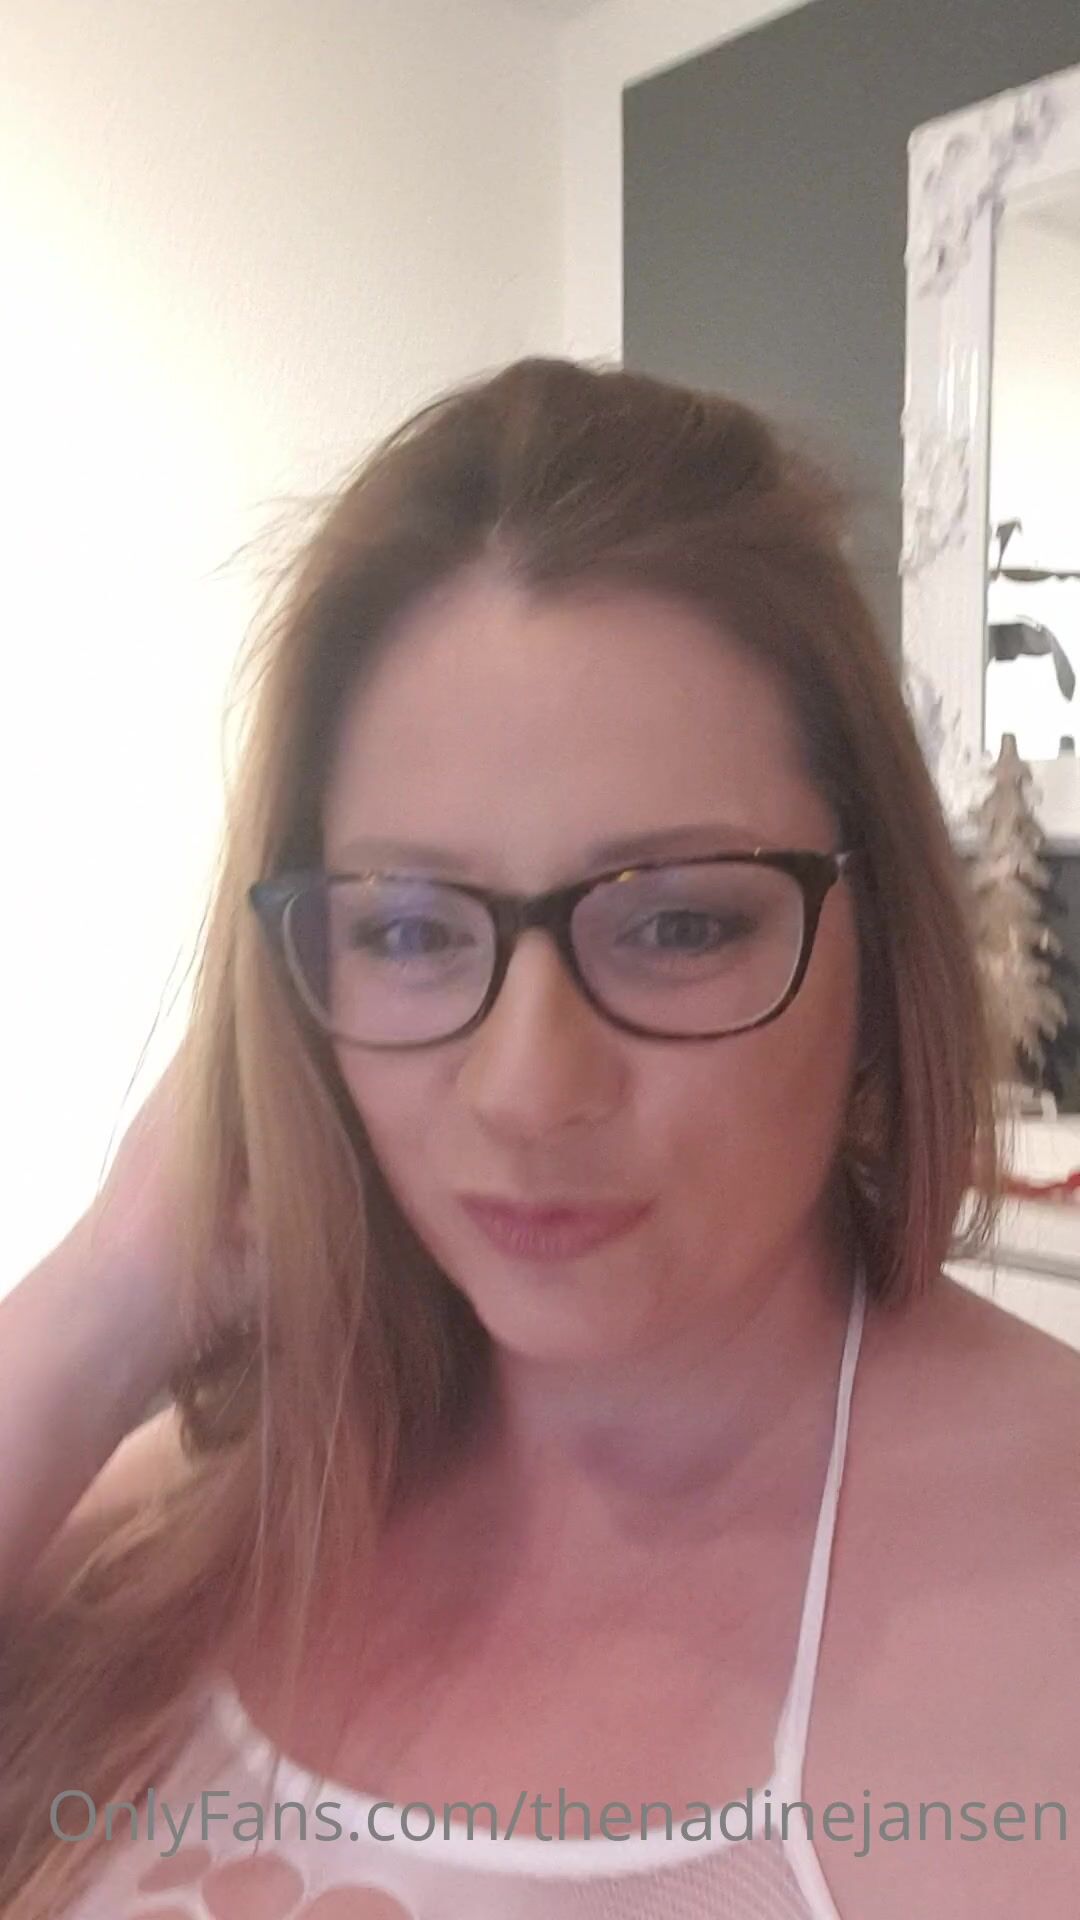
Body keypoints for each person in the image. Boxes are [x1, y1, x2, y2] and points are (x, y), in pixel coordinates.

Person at [0, 355, 1077, 1920]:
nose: (525, 1088)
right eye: (409, 930)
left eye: (681, 923)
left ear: (880, 935)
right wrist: (109, 1291)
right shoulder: (218, 1484)